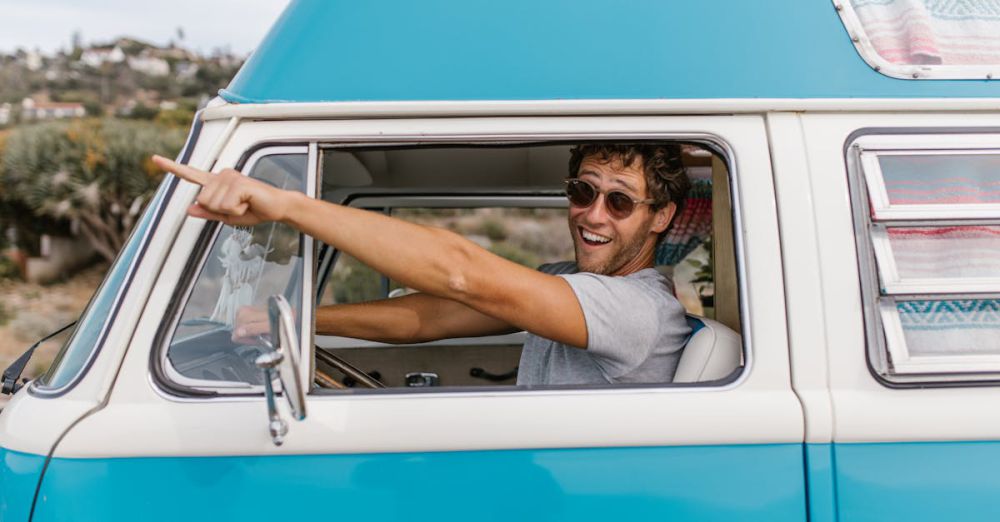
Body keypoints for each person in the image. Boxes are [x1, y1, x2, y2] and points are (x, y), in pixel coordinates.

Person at [152, 143, 692, 386]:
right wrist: (299, 321)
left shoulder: (635, 309)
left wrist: (286, 205)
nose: (592, 214)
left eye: (619, 201)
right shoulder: (565, 283)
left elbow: (460, 271)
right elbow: (431, 317)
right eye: (582, 191)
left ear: (661, 216)